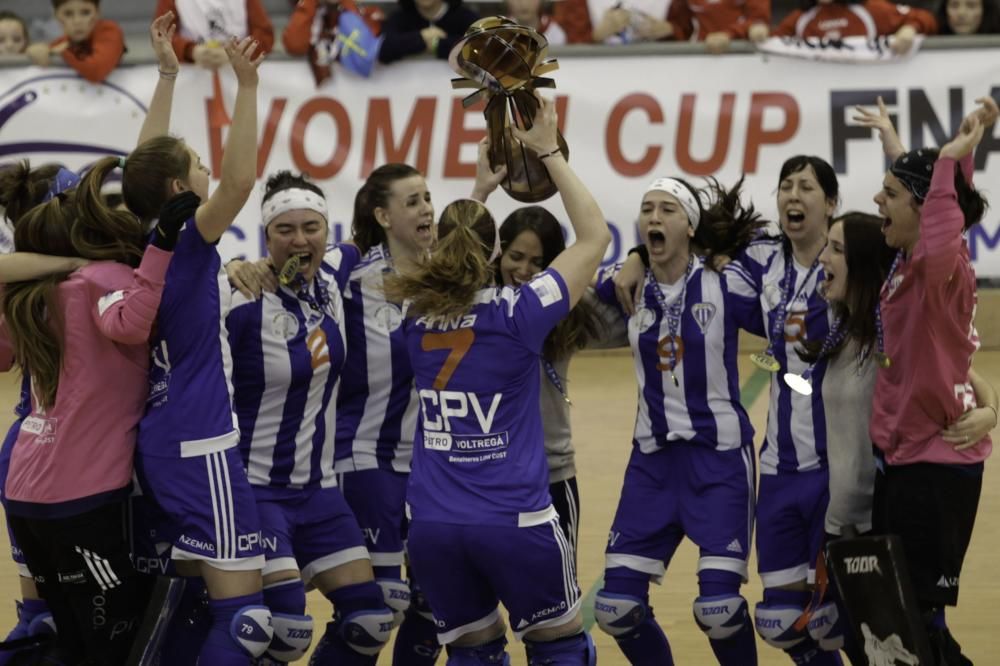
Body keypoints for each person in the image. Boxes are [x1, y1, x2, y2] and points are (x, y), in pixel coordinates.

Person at [383, 92, 608, 665]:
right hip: (515, 522)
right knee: (560, 649)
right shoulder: (517, 314)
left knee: (473, 656)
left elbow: (453, 254)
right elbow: (593, 238)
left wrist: (478, 192)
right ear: (497, 252)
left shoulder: (414, 318)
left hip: (432, 525)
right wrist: (549, 152)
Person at [117, 21, 272, 663]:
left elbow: (145, 165)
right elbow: (237, 183)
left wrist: (169, 75)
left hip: (159, 437)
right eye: (196, 164)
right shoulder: (186, 240)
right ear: (181, 191)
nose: (209, 166)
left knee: (186, 601)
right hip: (201, 440)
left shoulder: (139, 234)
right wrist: (247, 85)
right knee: (247, 622)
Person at [0, 157, 181, 664]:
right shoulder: (105, 278)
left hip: (25, 493)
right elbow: (131, 323)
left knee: (66, 638)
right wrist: (162, 246)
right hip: (82, 498)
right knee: (113, 645)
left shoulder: (29, 293)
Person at [592, 176, 765, 666]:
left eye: (667, 209)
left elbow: (782, 312)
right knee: (615, 608)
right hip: (652, 465)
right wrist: (633, 258)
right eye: (646, 209)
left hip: (719, 462)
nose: (653, 218)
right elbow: (572, 280)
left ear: (690, 226)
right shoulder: (625, 284)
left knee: (719, 608)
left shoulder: (725, 281)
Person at [225, 170, 396, 664]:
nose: (300, 239)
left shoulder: (333, 276)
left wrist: (638, 258)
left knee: (370, 621)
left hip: (319, 492)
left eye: (311, 227)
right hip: (256, 489)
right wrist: (234, 265)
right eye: (285, 230)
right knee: (284, 629)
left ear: (327, 233)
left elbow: (384, 229)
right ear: (266, 237)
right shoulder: (240, 297)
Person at [869, 96, 997, 664]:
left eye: (890, 194)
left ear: (924, 211)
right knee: (898, 616)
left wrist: (948, 161)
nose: (877, 200)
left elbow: (939, 216)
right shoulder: (912, 262)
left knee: (918, 621)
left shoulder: (937, 269)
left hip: (937, 467)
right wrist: (903, 147)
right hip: (909, 455)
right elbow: (932, 203)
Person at [495, 206, 623, 560]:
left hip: (552, 474)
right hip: (487, 476)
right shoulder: (478, 308)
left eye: (536, 262)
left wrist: (624, 266)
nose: (523, 271)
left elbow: (639, 315)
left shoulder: (569, 310)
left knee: (558, 602)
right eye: (515, 257)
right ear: (498, 252)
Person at [553, 0, 769, 51]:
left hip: (660, 84)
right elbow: (562, 47)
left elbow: (689, 31)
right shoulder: (576, 3)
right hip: (599, 85)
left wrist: (669, 29)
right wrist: (595, 36)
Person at [772, 0, 938, 55]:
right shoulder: (800, 18)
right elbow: (768, 43)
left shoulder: (870, 10)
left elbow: (926, 18)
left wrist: (910, 28)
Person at [282, 0, 385, 85]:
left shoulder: (362, 12)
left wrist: (346, 6)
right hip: (324, 99)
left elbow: (372, 41)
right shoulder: (309, 11)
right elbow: (294, 45)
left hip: (363, 93)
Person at [24, 0, 125, 83]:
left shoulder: (109, 30)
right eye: (68, 14)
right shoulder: (61, 42)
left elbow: (97, 71)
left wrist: (61, 51)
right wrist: (32, 50)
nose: (77, 21)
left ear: (97, 13)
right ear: (56, 16)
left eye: (86, 12)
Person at [155, 0, 274, 68]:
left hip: (238, 77)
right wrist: (191, 51)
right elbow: (159, 35)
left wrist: (235, 53)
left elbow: (265, 36)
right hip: (192, 76)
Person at [377, 0, 478, 65]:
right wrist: (422, 37)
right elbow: (382, 50)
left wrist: (437, 44)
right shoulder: (398, 18)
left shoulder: (465, 17)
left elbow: (479, 50)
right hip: (408, 89)